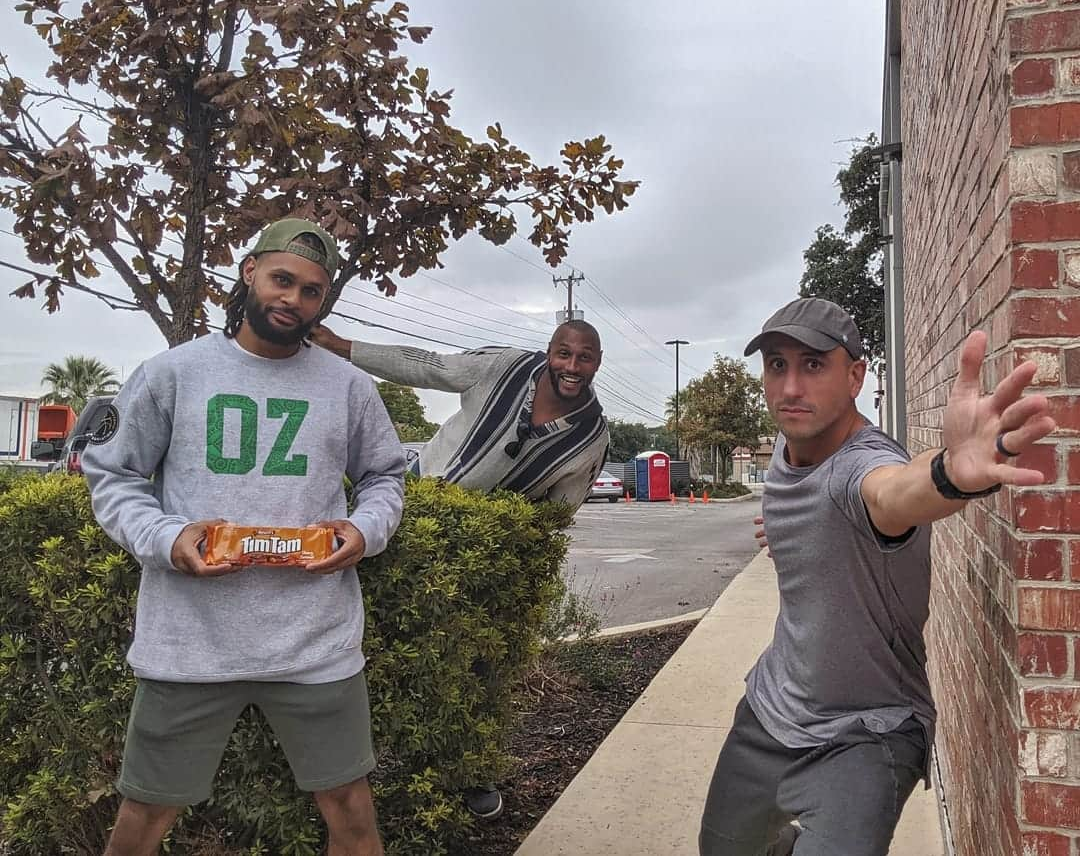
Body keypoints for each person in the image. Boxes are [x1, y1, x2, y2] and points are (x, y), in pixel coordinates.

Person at [82, 218, 406, 856]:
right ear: (250, 270)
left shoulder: (349, 387)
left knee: (352, 813)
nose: (294, 299)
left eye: (312, 291)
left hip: (315, 642)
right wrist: (169, 538)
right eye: (283, 279)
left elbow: (385, 477)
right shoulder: (173, 373)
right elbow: (112, 475)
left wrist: (363, 531)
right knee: (145, 813)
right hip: (189, 641)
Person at [698, 297, 1056, 856]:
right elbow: (811, 508)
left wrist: (948, 474)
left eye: (813, 365)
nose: (791, 387)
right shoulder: (792, 443)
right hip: (771, 710)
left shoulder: (862, 465)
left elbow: (890, 493)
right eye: (777, 365)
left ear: (856, 376)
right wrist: (791, 532)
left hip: (868, 730)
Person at [309, 319, 609, 818]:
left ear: (597, 363)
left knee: (476, 668)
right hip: (413, 518)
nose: (571, 367)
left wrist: (513, 549)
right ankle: (349, 765)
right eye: (563, 354)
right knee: (369, 639)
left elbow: (557, 514)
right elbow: (425, 367)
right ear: (549, 351)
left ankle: (471, 772)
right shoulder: (504, 367)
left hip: (484, 560)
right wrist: (342, 347)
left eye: (584, 359)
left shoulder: (591, 439)